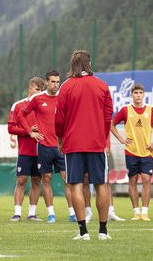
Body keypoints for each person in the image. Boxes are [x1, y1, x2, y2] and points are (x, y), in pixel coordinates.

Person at [55, 50, 114, 241]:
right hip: (96, 143)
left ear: (73, 64)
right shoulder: (102, 85)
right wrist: (103, 137)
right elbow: (108, 116)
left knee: (76, 185)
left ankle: (83, 232)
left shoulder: (66, 87)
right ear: (90, 63)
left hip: (73, 143)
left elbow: (59, 118)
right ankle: (103, 231)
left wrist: (60, 139)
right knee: (101, 184)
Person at [22, 70, 74, 223]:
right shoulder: (37, 98)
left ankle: (72, 212)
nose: (56, 84)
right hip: (44, 146)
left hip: (61, 147)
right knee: (46, 178)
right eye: (52, 81)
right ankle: (51, 213)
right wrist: (30, 131)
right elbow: (22, 114)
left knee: (68, 179)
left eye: (58, 81)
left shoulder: (64, 98)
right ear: (46, 82)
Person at [110, 84, 153, 221]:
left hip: (147, 152)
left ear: (144, 95)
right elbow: (111, 124)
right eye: (135, 92)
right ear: (131, 95)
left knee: (146, 179)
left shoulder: (151, 110)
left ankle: (145, 212)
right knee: (132, 180)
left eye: (140, 92)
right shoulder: (126, 110)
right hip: (131, 151)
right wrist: (121, 138)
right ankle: (136, 212)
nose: (138, 95)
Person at [7, 76, 44, 222]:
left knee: (37, 180)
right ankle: (17, 213)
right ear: (30, 88)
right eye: (36, 89)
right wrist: (28, 130)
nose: (39, 92)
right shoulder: (18, 106)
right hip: (25, 151)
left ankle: (32, 213)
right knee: (21, 180)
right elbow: (11, 128)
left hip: (41, 150)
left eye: (41, 90)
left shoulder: (44, 104)